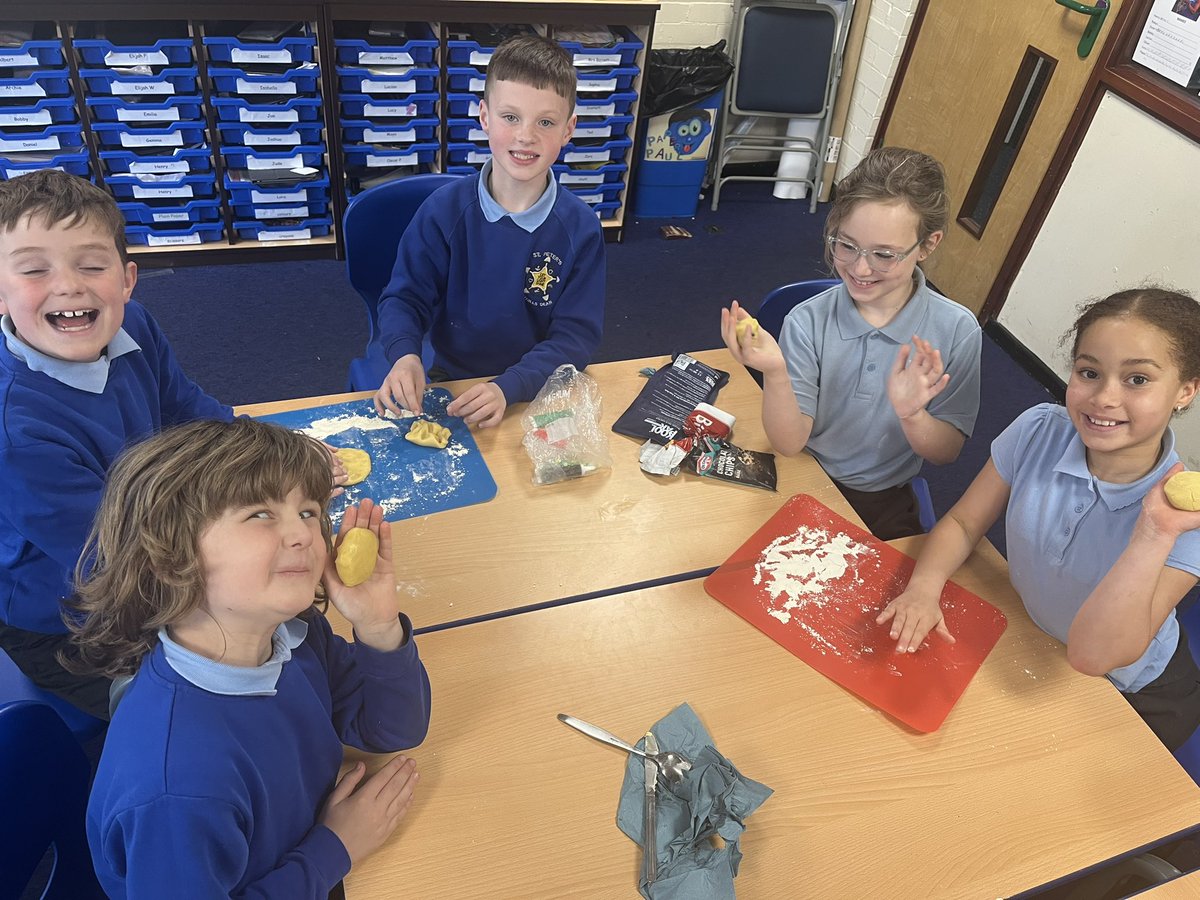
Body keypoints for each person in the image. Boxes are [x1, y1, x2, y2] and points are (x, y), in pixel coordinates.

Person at [69, 417, 431, 897]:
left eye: (307, 511)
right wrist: (336, 846)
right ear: (168, 555)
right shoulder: (176, 786)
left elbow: (391, 731)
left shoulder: (292, 635)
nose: (304, 534)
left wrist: (379, 627)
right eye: (260, 514)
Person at [878, 287, 1200, 750]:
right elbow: (965, 523)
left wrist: (1153, 533)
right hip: (1033, 637)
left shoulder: (1182, 518)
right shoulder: (1039, 431)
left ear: (1185, 391)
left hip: (1128, 690)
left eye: (1137, 380)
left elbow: (1096, 656)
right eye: (1089, 372)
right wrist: (923, 588)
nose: (1104, 397)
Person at [0, 169, 234, 720]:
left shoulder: (135, 329)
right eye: (35, 269)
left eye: (92, 264)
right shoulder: (16, 432)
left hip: (149, 533)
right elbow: (112, 556)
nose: (69, 286)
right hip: (69, 617)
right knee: (186, 713)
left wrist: (263, 457)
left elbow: (185, 410)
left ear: (127, 280)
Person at [721, 147, 982, 539]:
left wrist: (914, 415)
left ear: (928, 245)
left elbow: (946, 453)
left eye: (884, 254)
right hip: (803, 476)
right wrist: (775, 372)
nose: (860, 268)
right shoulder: (808, 320)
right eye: (846, 245)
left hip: (883, 496)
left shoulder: (957, 331)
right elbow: (790, 444)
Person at [374, 33, 606, 428]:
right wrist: (405, 355)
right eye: (510, 117)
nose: (525, 136)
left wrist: (509, 386)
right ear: (484, 116)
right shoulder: (443, 213)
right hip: (456, 382)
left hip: (540, 384)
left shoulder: (579, 229)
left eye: (545, 122)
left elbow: (575, 337)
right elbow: (404, 298)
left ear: (568, 131)